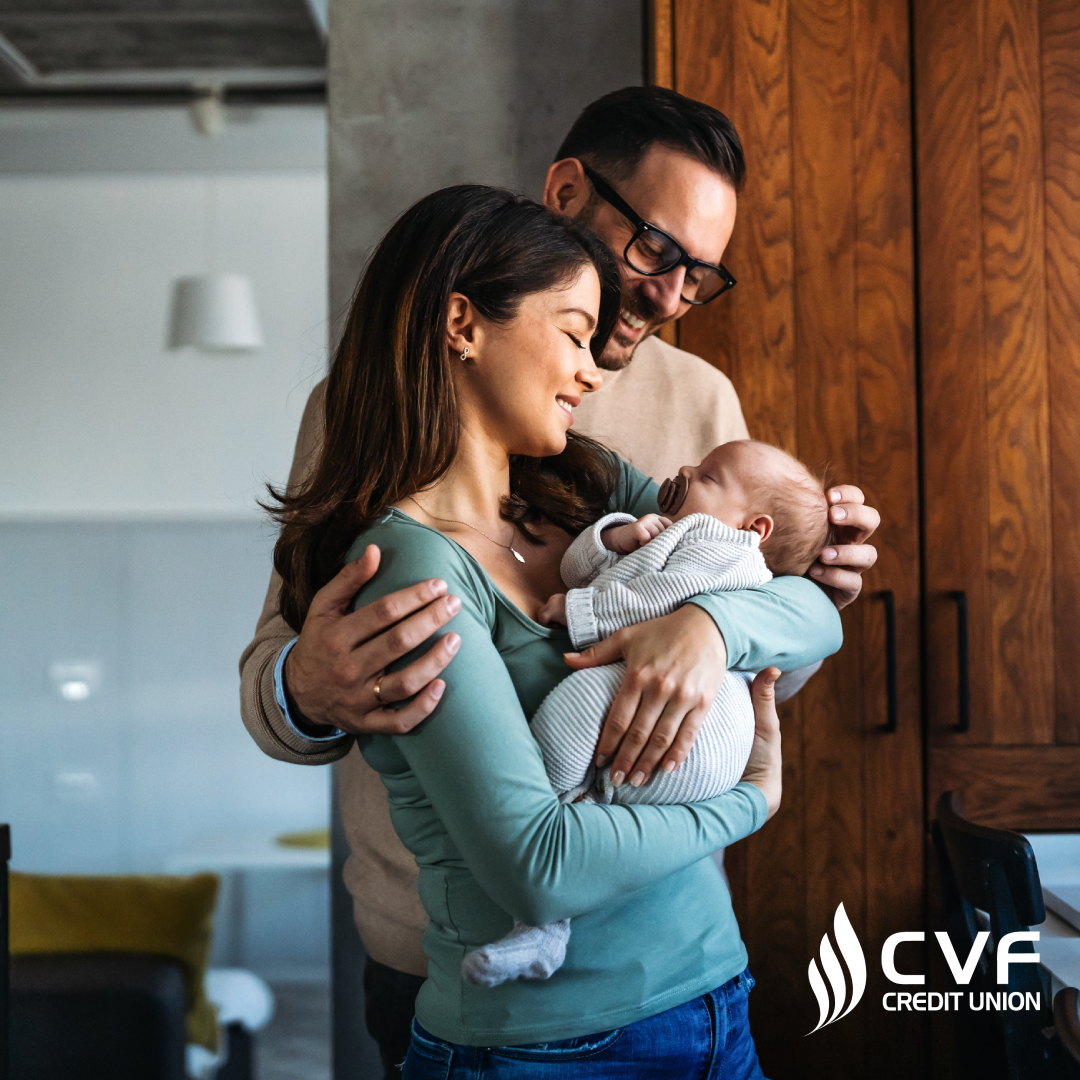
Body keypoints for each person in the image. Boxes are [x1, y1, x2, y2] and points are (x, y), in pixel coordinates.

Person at [239, 86, 879, 1073]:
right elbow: (279, 674)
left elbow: (768, 627)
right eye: (659, 253)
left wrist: (732, 625)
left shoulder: (629, 443)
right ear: (569, 190)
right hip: (468, 967)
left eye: (701, 277)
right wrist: (311, 687)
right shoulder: (384, 473)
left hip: (697, 963)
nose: (671, 298)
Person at [462, 440, 833, 989]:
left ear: (755, 528)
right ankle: (549, 915)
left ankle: (547, 881)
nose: (684, 469)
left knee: (574, 706)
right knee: (594, 773)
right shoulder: (673, 530)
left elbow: (659, 604)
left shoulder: (725, 548)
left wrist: (580, 610)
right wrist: (616, 536)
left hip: (702, 729)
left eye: (708, 475)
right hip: (698, 742)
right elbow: (579, 567)